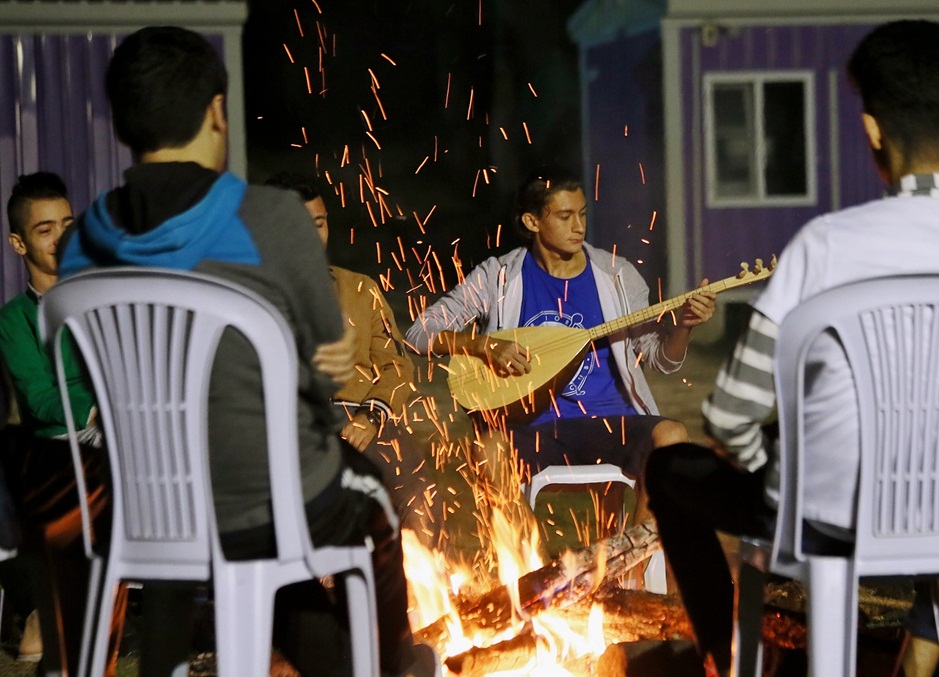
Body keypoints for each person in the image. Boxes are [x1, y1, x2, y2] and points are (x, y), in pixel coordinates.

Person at [642, 20, 939, 677]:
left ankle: (721, 657)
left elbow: (731, 412)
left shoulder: (825, 245)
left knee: (668, 471)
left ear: (872, 131)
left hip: (823, 515)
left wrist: (770, 477)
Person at [56, 27, 435, 677]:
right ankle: (395, 666)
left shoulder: (83, 241)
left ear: (121, 123)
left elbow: (96, 374)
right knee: (374, 499)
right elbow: (322, 378)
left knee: (274, 518)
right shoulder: (274, 218)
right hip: (271, 495)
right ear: (215, 112)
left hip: (145, 504)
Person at [404, 165, 714, 544]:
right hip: (532, 427)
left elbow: (660, 359)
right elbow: (418, 335)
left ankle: (629, 563)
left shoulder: (616, 275)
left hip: (610, 423)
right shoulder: (498, 276)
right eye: (565, 217)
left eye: (582, 214)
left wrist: (683, 326)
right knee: (488, 449)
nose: (579, 226)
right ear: (532, 221)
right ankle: (537, 572)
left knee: (673, 436)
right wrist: (482, 346)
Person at [264, 171, 439, 543]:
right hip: (289, 424)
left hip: (359, 418)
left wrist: (370, 416)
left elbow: (397, 365)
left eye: (320, 223)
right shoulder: (258, 295)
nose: (314, 236)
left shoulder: (360, 289)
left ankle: (425, 589)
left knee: (413, 473)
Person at [0, 171, 126, 676]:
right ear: (18, 243)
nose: (59, 239)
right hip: (63, 447)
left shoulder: (103, 298)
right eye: (44, 229)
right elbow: (41, 399)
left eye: (67, 224)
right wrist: (97, 401)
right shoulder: (14, 320)